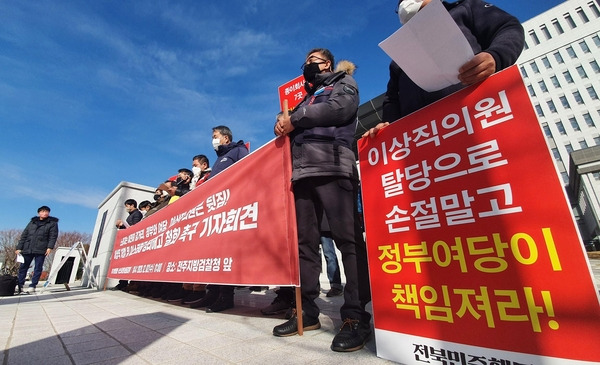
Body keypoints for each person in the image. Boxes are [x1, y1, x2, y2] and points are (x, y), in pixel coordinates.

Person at [274, 48, 372, 352]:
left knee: (348, 241)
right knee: (305, 244)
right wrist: (281, 121)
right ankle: (307, 312)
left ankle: (356, 316)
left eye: (311, 60)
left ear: (326, 63)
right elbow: (285, 127)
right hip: (302, 174)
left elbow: (340, 109)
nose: (306, 65)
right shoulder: (304, 97)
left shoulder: (343, 82)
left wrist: (296, 117)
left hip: (332, 166)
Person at [364, 0, 525, 137]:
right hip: (425, 138)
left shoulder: (465, 9)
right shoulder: (398, 56)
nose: (405, 4)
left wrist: (496, 56)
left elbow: (508, 28)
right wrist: (389, 128)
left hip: (477, 119)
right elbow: (391, 99)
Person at [190, 125, 249, 313]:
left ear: (225, 138)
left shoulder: (238, 150)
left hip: (229, 206)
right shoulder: (219, 160)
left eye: (215, 136)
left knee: (225, 252)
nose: (213, 140)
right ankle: (212, 292)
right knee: (213, 253)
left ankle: (226, 296)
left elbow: (246, 173)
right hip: (214, 209)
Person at [15, 206, 59, 294]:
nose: (45, 213)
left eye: (47, 211)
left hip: (41, 248)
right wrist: (19, 247)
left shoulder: (52, 223)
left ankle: (32, 286)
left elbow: (53, 236)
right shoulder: (32, 222)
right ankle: (20, 285)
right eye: (43, 211)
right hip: (28, 247)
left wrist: (50, 247)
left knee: (38, 268)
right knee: (23, 267)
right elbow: (24, 234)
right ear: (39, 213)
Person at [112, 199, 143, 290]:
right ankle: (123, 282)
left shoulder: (137, 214)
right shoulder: (130, 215)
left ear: (132, 205)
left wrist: (124, 225)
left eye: (127, 206)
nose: (126, 208)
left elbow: (135, 227)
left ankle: (127, 283)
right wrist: (120, 226)